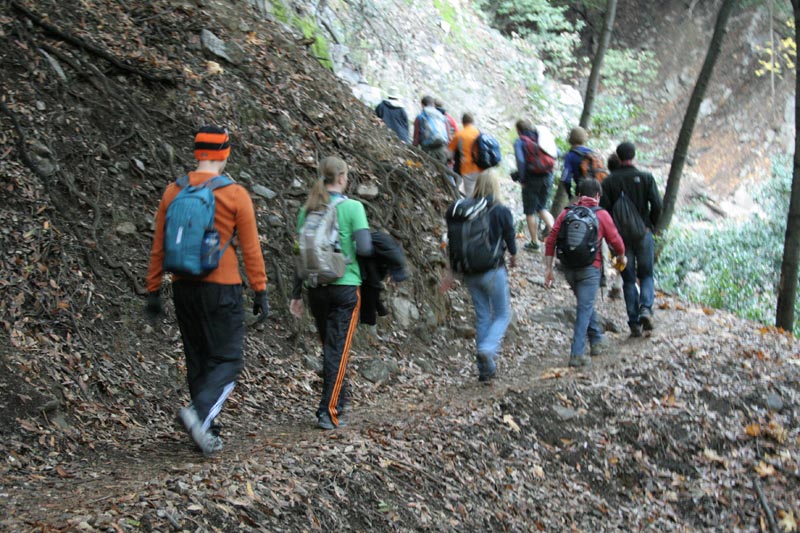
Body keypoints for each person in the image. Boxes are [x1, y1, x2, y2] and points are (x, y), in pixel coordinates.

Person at [144, 125, 268, 456]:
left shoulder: (174, 191)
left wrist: (153, 290)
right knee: (228, 359)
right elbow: (251, 248)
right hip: (222, 287)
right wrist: (260, 290)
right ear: (224, 154)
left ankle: (205, 430)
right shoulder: (235, 194)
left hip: (183, 286)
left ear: (197, 153)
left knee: (197, 358)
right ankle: (199, 415)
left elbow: (158, 245)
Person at [290, 156, 372, 430]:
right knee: (337, 349)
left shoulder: (308, 209)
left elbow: (300, 253)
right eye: (346, 175)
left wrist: (296, 293)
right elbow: (365, 248)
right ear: (341, 178)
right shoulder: (353, 207)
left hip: (316, 289)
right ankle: (330, 411)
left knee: (331, 348)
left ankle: (338, 399)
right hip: (345, 286)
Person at [442, 168, 517, 382]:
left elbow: (452, 243)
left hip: (470, 272)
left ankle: (485, 370)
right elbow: (510, 238)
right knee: (502, 314)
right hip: (493, 270)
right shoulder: (500, 210)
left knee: (483, 316)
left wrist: (451, 272)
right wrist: (514, 256)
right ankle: (487, 349)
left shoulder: (465, 212)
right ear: (495, 186)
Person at [545, 178, 626, 367]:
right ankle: (577, 353)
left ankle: (597, 340)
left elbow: (551, 240)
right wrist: (621, 257)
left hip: (569, 268)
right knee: (584, 308)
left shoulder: (566, 213)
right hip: (590, 268)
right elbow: (615, 241)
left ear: (579, 195)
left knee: (585, 304)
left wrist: (548, 269)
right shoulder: (602, 215)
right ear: (597, 196)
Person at [600, 142, 663, 337]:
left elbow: (604, 211)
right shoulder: (645, 178)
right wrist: (650, 225)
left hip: (620, 239)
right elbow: (658, 205)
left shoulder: (608, 182)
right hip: (643, 234)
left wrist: (612, 235)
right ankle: (646, 308)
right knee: (646, 274)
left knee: (628, 279)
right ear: (634, 156)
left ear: (618, 157)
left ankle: (634, 323)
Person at [513, 119, 555, 252]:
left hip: (532, 178)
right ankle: (558, 237)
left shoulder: (520, 141)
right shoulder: (541, 138)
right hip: (548, 176)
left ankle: (534, 243)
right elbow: (555, 153)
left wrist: (522, 178)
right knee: (542, 207)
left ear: (518, 130)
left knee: (530, 211)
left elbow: (520, 160)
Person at [551, 126, 591, 216]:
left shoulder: (570, 155)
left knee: (565, 217)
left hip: (582, 192)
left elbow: (566, 178)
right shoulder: (591, 153)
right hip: (597, 193)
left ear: (570, 139)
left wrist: (570, 195)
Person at [447, 112, 481, 197]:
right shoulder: (479, 132)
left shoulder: (459, 135)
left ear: (462, 122)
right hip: (481, 167)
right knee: (480, 193)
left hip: (468, 168)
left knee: (470, 195)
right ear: (473, 121)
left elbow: (449, 154)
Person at [604, 152, 624, 299]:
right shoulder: (631, 180)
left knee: (605, 248)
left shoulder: (607, 182)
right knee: (622, 252)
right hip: (629, 223)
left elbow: (603, 205)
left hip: (610, 221)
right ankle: (618, 283)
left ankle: (603, 276)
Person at [412, 95, 450, 164]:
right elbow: (448, 136)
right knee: (442, 171)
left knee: (430, 172)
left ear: (422, 105)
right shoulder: (442, 116)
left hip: (427, 150)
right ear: (433, 104)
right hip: (441, 148)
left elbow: (416, 138)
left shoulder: (420, 117)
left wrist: (413, 151)